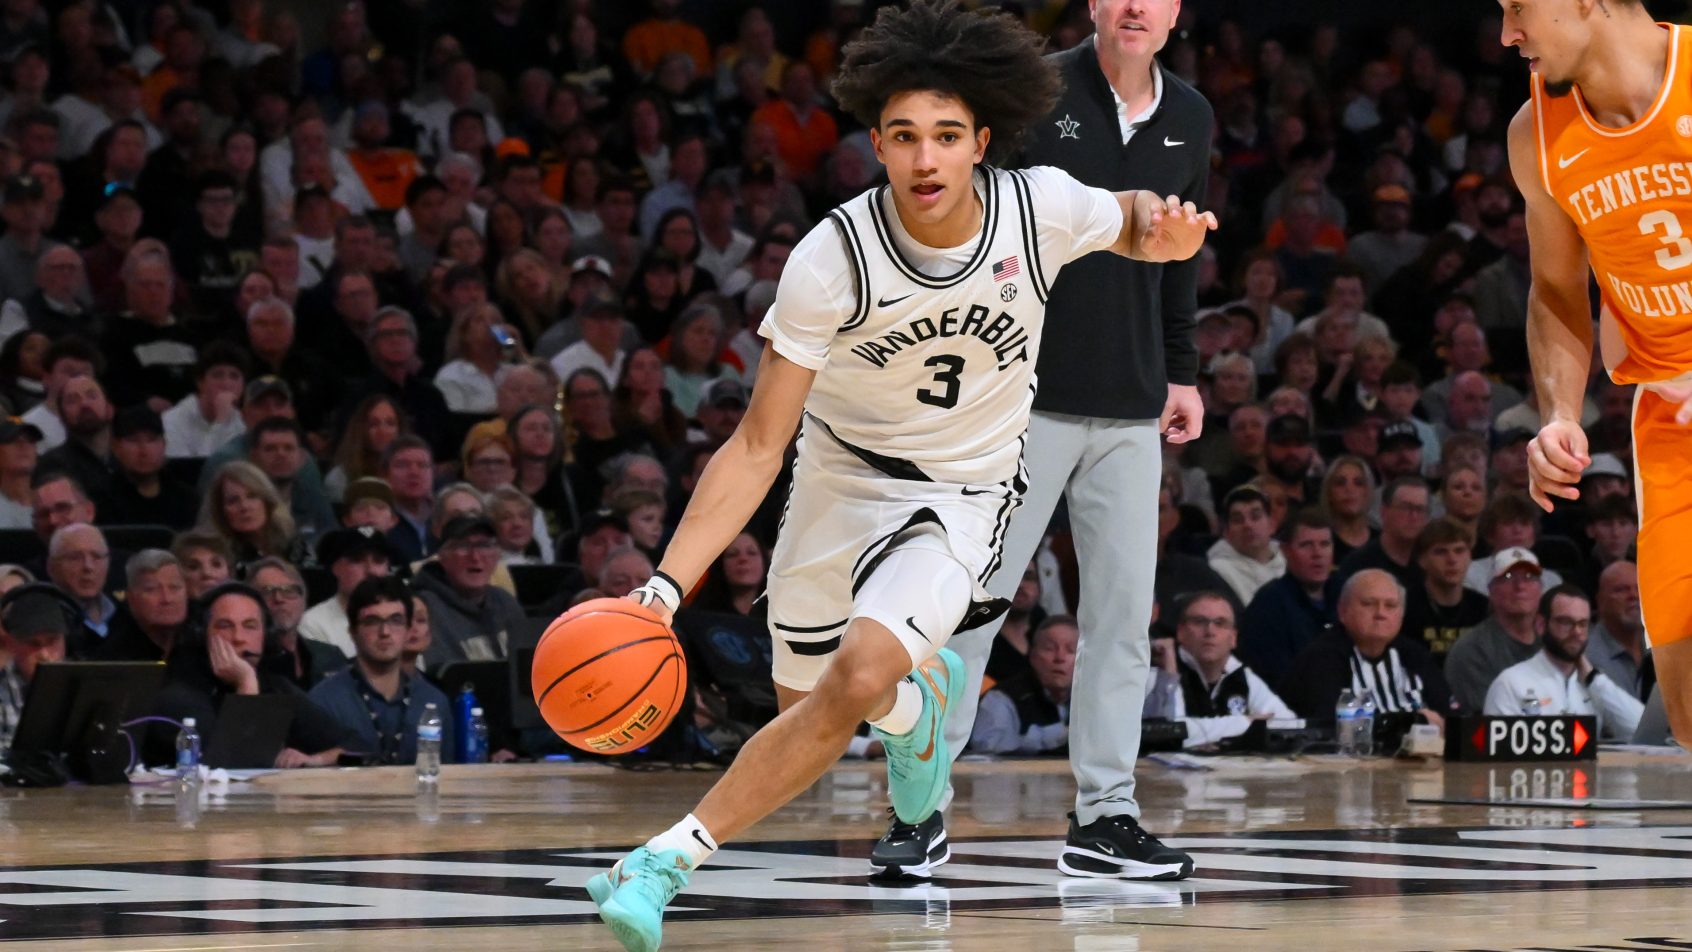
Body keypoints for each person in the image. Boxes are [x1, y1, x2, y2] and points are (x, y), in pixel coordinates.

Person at [584, 3, 1214, 946]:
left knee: (852, 679)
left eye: (949, 138)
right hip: (837, 485)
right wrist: (663, 590)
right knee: (808, 706)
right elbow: (758, 445)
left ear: (982, 144)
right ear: (876, 143)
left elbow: (1128, 217)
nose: (927, 161)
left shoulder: (1037, 205)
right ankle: (915, 717)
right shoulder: (829, 260)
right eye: (907, 138)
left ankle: (666, 858)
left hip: (961, 495)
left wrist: (1168, 234)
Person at [1503, 0, 1692, 745]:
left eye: (1518, 8)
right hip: (1668, 416)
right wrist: (1558, 414)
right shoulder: (1536, 135)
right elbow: (1555, 290)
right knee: (1684, 706)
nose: (1507, 34)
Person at [146, 581, 355, 768]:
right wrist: (246, 685)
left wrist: (314, 760)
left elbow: (355, 747)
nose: (239, 638)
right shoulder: (178, 695)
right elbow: (237, 765)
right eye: (225, 626)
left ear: (266, 635)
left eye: (250, 626)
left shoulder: (275, 685)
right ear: (202, 635)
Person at [1278, 569, 1451, 729]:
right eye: (1368, 604)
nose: (1380, 613)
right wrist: (1412, 722)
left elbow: (1450, 715)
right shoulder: (1322, 658)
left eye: (1390, 606)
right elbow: (1331, 726)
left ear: (1401, 615)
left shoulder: (1413, 655)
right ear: (1343, 611)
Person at [309, 575, 453, 765]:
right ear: (352, 631)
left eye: (395, 620)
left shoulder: (433, 701)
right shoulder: (323, 701)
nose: (385, 632)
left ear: (409, 630)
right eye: (372, 621)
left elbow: (449, 777)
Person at [1483, 584, 1644, 740]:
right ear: (1541, 625)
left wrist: (1593, 678)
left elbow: (1641, 730)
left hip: (1585, 768)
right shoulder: (1511, 683)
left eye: (1583, 624)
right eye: (1566, 622)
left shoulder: (1594, 684)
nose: (1577, 632)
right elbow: (1498, 756)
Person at [1145, 591, 1297, 749]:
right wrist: (1246, 723)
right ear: (1181, 632)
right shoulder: (1164, 668)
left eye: (1220, 623)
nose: (1210, 631)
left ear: (1233, 638)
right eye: (1199, 621)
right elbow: (1169, 732)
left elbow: (1289, 724)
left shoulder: (1240, 673)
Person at [413, 514, 526, 667]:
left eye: (484, 546)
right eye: (463, 546)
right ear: (442, 557)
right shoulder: (426, 608)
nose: (475, 557)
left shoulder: (505, 602)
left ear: (497, 556)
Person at [1444, 546, 1546, 714]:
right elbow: (1489, 716)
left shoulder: (1553, 641)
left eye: (1529, 577)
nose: (1520, 586)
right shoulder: (1472, 650)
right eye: (1508, 577)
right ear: (1491, 590)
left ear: (1541, 588)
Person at [1238, 508, 1334, 687]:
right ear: (1285, 550)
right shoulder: (1268, 605)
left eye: (1325, 544)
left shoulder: (1346, 594)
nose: (1317, 554)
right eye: (1306, 545)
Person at [967, 615, 1077, 757]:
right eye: (1049, 648)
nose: (1060, 658)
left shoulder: (1091, 700)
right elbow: (989, 751)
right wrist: (1061, 734)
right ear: (1033, 655)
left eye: (1071, 650)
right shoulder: (1001, 699)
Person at [298, 526, 397, 658]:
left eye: (378, 561)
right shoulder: (313, 623)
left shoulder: (402, 617)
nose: (371, 570)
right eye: (357, 560)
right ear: (335, 567)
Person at [249, 556, 346, 691]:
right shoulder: (247, 662)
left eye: (289, 591)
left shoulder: (331, 656)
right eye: (267, 591)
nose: (278, 598)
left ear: (304, 601)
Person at [1401, 517, 1490, 663]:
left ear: (1470, 556)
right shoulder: (1405, 606)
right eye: (1441, 552)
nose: (1452, 560)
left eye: (1459, 551)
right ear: (1422, 560)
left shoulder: (1483, 607)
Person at [0, 583, 71, 751]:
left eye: (53, 641)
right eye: (33, 644)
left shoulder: (85, 685)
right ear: (11, 644)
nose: (45, 655)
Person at [95, 549, 185, 661]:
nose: (167, 599)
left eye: (174, 587)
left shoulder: (204, 646)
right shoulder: (111, 661)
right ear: (131, 599)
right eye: (151, 589)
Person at [1208, 486, 1285, 607]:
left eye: (1255, 517)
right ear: (1226, 532)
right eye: (1238, 520)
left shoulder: (1290, 561)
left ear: (1272, 524)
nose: (1247, 525)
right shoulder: (1217, 571)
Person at [1587, 560, 1647, 700]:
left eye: (1639, 588)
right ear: (1600, 601)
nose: (1634, 596)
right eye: (1621, 589)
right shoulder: (1586, 656)